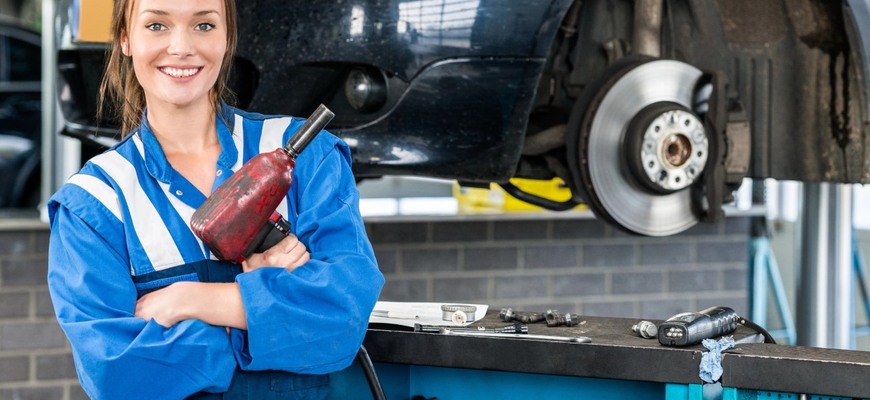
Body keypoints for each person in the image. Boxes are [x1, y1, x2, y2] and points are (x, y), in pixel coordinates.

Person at [46, 0, 384, 398]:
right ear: (125, 38)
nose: (182, 47)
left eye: (204, 26)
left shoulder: (309, 157)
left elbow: (343, 314)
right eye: (157, 26)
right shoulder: (95, 203)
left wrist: (189, 300)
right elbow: (116, 374)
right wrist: (267, 316)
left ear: (227, 38)